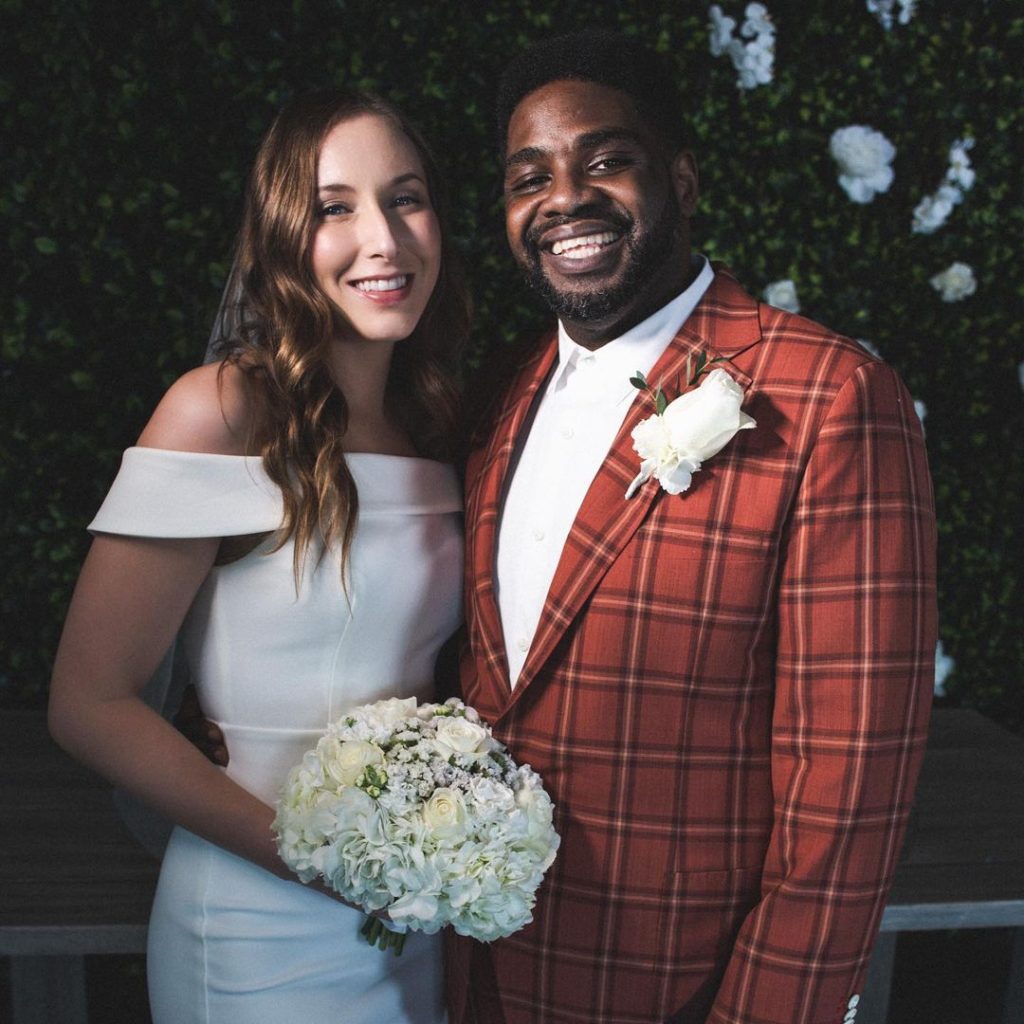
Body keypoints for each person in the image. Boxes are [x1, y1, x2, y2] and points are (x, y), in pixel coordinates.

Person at [444, 30, 937, 1024]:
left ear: (680, 178)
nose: (565, 197)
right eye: (528, 176)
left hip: (680, 987)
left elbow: (849, 789)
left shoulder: (829, 395)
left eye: (605, 161)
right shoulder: (496, 391)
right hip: (472, 973)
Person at [48, 88, 469, 1024]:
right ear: (284, 233)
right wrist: (316, 861)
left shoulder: (439, 425)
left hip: (410, 915)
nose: (385, 240)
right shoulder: (220, 411)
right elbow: (88, 705)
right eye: (336, 207)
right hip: (254, 919)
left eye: (405, 198)